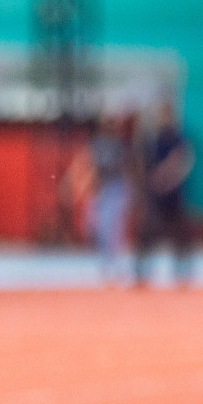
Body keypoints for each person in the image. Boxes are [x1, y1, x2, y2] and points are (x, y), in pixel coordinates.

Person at [135, 99, 195, 287]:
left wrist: (165, 178)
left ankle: (182, 272)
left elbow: (182, 162)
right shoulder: (152, 140)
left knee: (180, 234)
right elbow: (142, 165)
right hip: (155, 195)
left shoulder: (179, 139)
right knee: (147, 233)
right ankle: (142, 273)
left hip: (174, 195)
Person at [81, 113, 134, 284]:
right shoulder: (97, 144)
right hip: (102, 190)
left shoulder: (119, 145)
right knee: (95, 225)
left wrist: (130, 192)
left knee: (113, 229)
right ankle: (106, 263)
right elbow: (92, 167)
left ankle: (116, 265)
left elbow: (124, 169)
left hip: (116, 188)